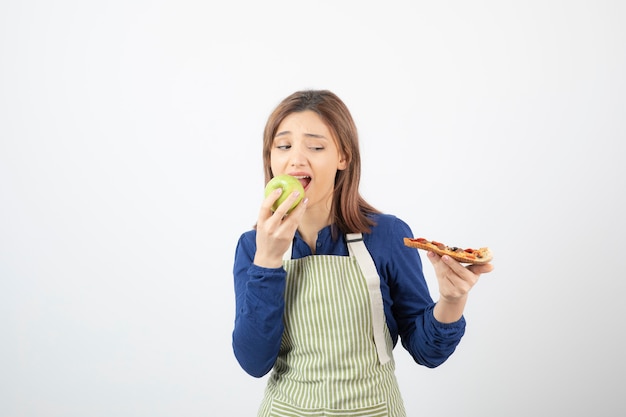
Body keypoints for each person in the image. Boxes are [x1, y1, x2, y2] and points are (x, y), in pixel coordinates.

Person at [232, 89, 494, 416]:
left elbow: (428, 352)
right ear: (270, 158)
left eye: (315, 146)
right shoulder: (252, 247)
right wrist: (268, 261)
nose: (296, 159)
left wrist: (452, 300)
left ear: (343, 156)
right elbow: (253, 362)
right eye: (283, 146)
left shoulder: (386, 236)